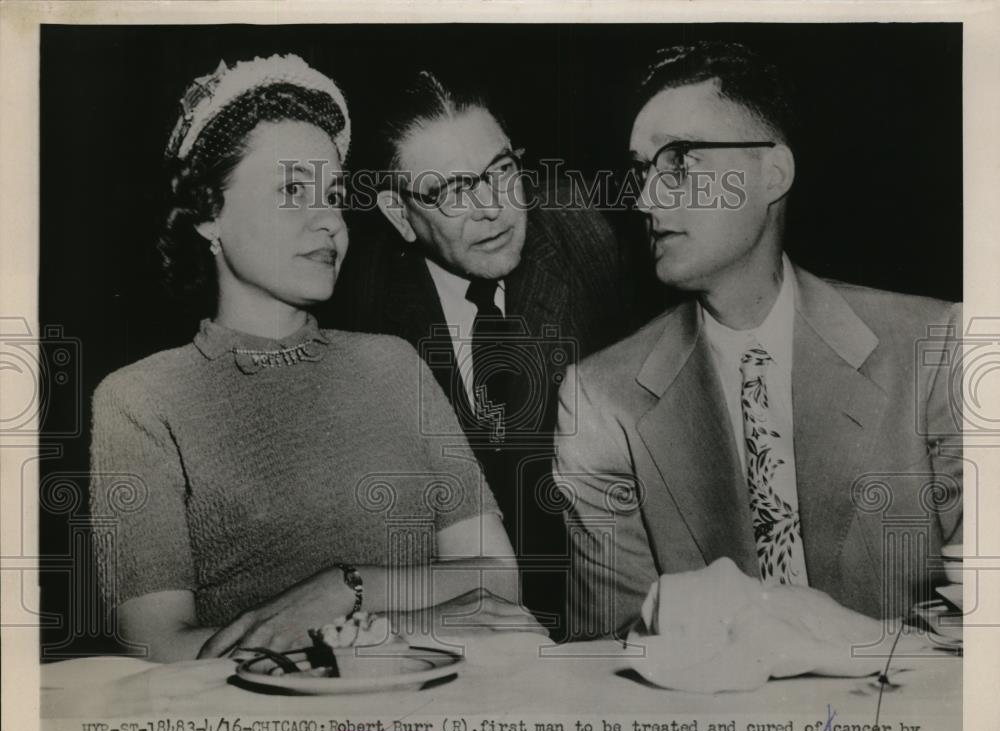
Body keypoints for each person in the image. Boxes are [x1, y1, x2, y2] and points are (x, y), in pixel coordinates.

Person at [90, 54, 538, 663]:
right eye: (291, 191)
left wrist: (346, 590)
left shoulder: (394, 365)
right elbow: (154, 646)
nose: (328, 220)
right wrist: (342, 646)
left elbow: (497, 580)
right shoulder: (141, 400)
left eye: (332, 194)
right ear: (207, 214)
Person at [554, 41, 963, 639]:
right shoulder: (599, 400)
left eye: (680, 161)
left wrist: (845, 643)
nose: (644, 199)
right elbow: (609, 652)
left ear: (773, 174)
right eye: (643, 171)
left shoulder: (937, 348)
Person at [327, 70, 635, 639]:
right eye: (449, 191)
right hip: (447, 628)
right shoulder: (356, 303)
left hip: (597, 614)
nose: (491, 208)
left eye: (500, 171)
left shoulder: (588, 240)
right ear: (399, 214)